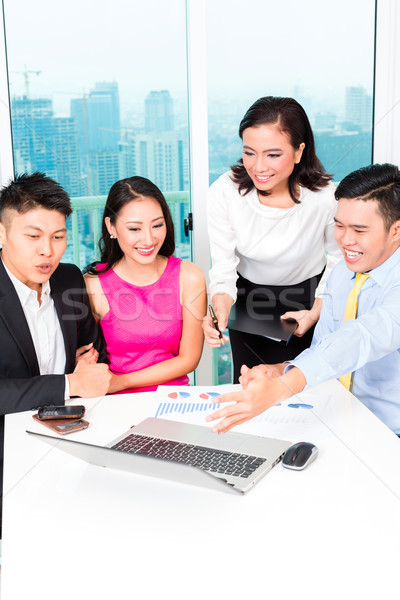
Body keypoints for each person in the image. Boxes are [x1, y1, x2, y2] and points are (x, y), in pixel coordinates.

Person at [206, 163, 400, 435]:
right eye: (339, 226)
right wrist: (278, 372)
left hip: (388, 433)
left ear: (396, 230)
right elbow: (324, 349)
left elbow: (360, 338)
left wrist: (284, 387)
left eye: (359, 230)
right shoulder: (343, 273)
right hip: (337, 421)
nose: (345, 240)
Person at [0, 172, 111, 533]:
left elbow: (97, 354)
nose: (47, 249)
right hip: (8, 451)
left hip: (68, 440)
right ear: (2, 233)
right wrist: (69, 382)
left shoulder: (66, 279)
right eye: (32, 236)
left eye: (58, 236)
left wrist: (84, 374)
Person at [203, 96, 342, 382]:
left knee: (307, 390)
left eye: (273, 154)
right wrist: (217, 314)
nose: (259, 167)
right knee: (251, 388)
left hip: (309, 299)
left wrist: (316, 312)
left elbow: (338, 260)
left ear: (299, 151)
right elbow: (224, 269)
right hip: (249, 300)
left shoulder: (325, 197)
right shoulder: (224, 192)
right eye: (249, 152)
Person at [84, 176, 206, 393]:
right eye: (134, 229)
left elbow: (189, 359)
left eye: (157, 225)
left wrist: (123, 381)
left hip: (173, 399)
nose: (149, 240)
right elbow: (86, 357)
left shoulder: (189, 277)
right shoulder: (93, 284)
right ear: (111, 227)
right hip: (114, 403)